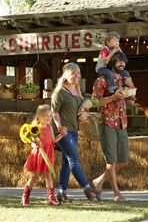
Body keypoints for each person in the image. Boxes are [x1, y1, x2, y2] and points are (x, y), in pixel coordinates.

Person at [51, 62, 101, 202]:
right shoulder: (59, 92)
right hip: (63, 132)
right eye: (73, 73)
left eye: (78, 73)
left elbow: (81, 108)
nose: (77, 76)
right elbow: (54, 112)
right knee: (74, 159)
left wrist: (85, 113)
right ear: (66, 74)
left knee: (67, 162)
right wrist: (59, 127)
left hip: (74, 131)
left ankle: (61, 192)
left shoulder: (77, 90)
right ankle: (88, 189)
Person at [92, 51, 133, 202]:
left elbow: (132, 101)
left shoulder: (124, 79)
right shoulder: (101, 80)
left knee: (123, 160)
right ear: (111, 63)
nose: (122, 64)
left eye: (123, 62)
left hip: (122, 123)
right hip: (107, 122)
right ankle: (116, 193)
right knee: (111, 161)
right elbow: (95, 103)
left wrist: (131, 89)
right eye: (118, 62)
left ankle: (100, 181)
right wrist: (112, 97)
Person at [21, 104, 62, 207]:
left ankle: (51, 198)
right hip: (39, 155)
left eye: (50, 116)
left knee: (49, 175)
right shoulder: (35, 128)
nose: (48, 118)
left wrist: (62, 135)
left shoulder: (50, 127)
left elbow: (53, 141)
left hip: (48, 154)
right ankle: (25, 196)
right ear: (39, 117)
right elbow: (32, 142)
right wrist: (36, 144)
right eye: (46, 116)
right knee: (35, 176)